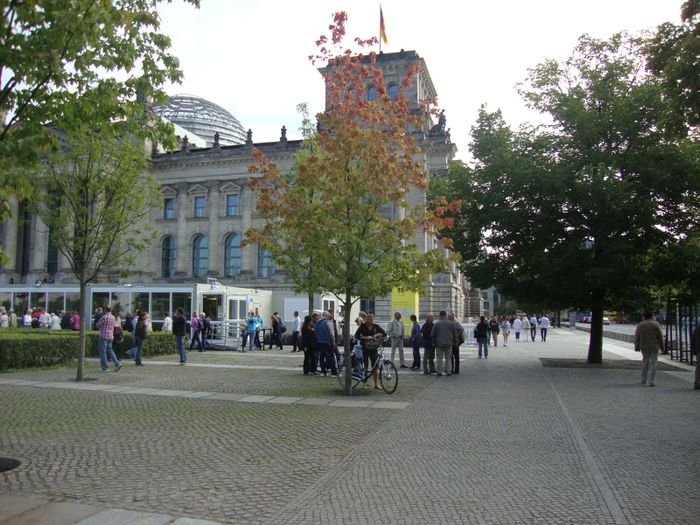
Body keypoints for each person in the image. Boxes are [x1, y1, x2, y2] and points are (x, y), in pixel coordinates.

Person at [355, 314, 385, 389]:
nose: (370, 321)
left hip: (374, 348)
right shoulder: (362, 326)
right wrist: (365, 337)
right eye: (368, 319)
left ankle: (376, 384)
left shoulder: (376, 326)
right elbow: (357, 335)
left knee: (375, 366)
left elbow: (384, 333)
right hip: (365, 348)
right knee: (365, 366)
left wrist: (377, 334)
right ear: (366, 320)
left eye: (371, 319)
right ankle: (364, 383)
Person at [634, 312, 664, 387]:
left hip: (644, 346)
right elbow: (660, 336)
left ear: (644, 317)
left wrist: (636, 346)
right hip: (654, 346)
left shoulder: (640, 325)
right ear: (652, 316)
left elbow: (637, 336)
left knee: (645, 362)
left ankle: (643, 379)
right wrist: (662, 347)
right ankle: (651, 381)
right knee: (653, 364)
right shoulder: (656, 324)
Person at [96, 306, 121, 372]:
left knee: (103, 352)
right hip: (110, 336)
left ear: (105, 310)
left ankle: (105, 367)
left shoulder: (104, 317)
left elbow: (98, 325)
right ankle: (117, 363)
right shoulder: (113, 317)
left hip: (103, 335)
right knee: (110, 350)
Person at [432, 311, 455, 376]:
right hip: (449, 343)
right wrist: (453, 341)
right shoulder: (450, 323)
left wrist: (434, 341)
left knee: (439, 358)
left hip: (439, 343)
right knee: (448, 358)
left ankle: (439, 371)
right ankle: (448, 371)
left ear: (440, 316)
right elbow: (454, 333)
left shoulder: (437, 324)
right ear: (445, 315)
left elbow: (432, 334)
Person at [315, 311, 337, 376]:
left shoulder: (318, 322)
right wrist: (333, 342)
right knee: (331, 357)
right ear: (327, 316)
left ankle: (323, 371)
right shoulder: (329, 323)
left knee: (321, 357)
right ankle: (334, 372)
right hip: (327, 342)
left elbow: (315, 332)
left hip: (320, 341)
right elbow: (331, 334)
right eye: (329, 315)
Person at [690, 323, 700, 390]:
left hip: (698, 350)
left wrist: (694, 351)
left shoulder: (697, 328)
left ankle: (696, 382)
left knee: (699, 366)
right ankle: (696, 383)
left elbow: (692, 341)